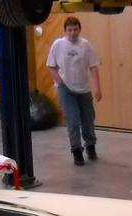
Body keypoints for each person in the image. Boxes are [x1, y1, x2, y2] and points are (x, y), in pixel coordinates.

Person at [46, 16, 102, 166]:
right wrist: (61, 84)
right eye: (69, 30)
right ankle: (77, 151)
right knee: (73, 120)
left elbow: (93, 67)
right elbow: (51, 66)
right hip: (66, 90)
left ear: (79, 30)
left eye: (75, 29)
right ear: (65, 31)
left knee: (88, 119)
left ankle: (90, 146)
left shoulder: (85, 45)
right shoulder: (58, 45)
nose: (72, 33)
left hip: (84, 89)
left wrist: (97, 88)